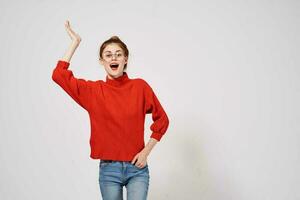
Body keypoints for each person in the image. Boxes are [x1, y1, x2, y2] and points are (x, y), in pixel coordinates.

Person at [52, 20, 170, 200]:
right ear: (102, 61)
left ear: (125, 59)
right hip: (109, 170)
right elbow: (59, 75)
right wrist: (75, 42)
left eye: (118, 54)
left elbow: (162, 120)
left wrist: (146, 152)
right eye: (108, 55)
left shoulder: (140, 87)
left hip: (136, 169)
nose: (113, 58)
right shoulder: (93, 91)